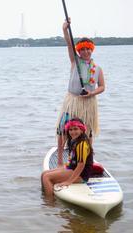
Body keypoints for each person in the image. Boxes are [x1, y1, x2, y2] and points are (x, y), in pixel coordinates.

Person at [56, 19, 105, 166]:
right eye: (82, 49)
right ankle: (59, 161)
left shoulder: (97, 68)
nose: (85, 52)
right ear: (79, 51)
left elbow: (102, 86)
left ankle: (88, 160)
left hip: (89, 103)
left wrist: (92, 93)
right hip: (72, 101)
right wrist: (65, 30)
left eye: (88, 49)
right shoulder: (74, 62)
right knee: (63, 129)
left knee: (88, 131)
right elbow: (69, 45)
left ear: (92, 50)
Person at [42, 118, 93, 197]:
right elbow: (73, 160)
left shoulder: (82, 144)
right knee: (44, 173)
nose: (73, 132)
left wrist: (69, 181)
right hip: (72, 169)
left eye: (76, 129)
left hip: (81, 175)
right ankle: (50, 193)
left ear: (82, 130)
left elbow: (81, 165)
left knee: (46, 177)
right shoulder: (74, 140)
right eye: (70, 130)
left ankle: (50, 204)